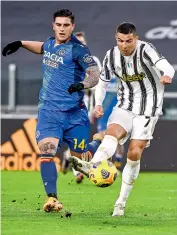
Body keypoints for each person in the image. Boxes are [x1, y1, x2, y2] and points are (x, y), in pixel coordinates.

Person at [69, 22, 175, 216]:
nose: (124, 45)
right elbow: (103, 82)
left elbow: (166, 66)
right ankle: (92, 165)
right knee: (111, 134)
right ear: (116, 39)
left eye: (128, 41)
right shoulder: (112, 55)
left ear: (136, 39)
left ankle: (120, 203)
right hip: (124, 105)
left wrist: (167, 74)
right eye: (120, 41)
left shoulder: (146, 50)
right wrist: (98, 104)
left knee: (134, 153)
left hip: (147, 109)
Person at [2, 9, 100, 212]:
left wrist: (81, 85)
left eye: (66, 25)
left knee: (79, 162)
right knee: (47, 150)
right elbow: (41, 47)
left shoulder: (79, 50)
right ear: (53, 25)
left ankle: (101, 143)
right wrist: (20, 43)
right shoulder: (49, 43)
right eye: (59, 24)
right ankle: (52, 198)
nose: (62, 28)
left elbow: (94, 75)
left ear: (72, 26)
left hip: (74, 113)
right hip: (49, 111)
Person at [62, 31, 102, 183]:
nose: (81, 44)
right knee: (75, 138)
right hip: (68, 105)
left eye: (83, 42)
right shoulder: (65, 60)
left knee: (80, 139)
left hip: (86, 105)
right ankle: (76, 170)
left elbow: (97, 82)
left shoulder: (92, 60)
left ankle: (68, 158)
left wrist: (95, 106)